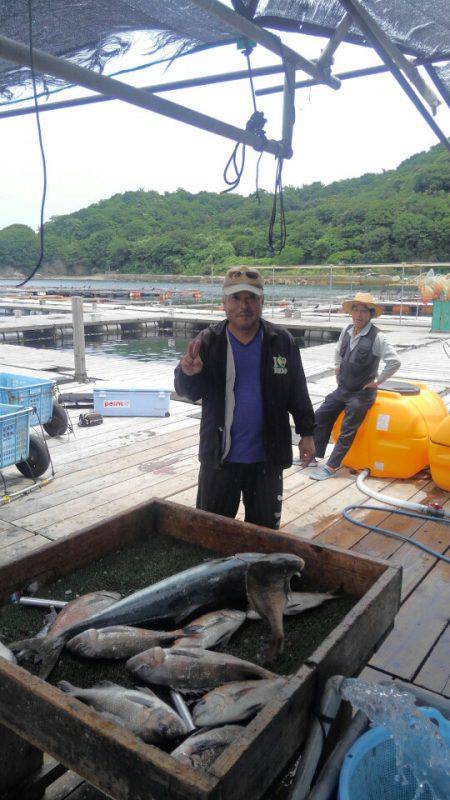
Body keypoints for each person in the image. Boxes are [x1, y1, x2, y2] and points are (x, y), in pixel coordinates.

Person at [174, 267, 315, 529]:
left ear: (262, 302)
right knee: (211, 532)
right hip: (220, 459)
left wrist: (307, 433)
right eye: (236, 298)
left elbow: (298, 390)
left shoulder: (281, 341)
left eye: (251, 298)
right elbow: (188, 392)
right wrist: (188, 373)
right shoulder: (208, 341)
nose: (244, 305)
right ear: (224, 303)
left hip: (266, 460)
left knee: (263, 534)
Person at [309, 292, 401, 481]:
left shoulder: (377, 337)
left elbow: (394, 362)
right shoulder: (347, 330)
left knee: (348, 427)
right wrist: (337, 368)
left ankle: (332, 466)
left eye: (364, 311)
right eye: (356, 310)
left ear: (371, 314)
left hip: (362, 394)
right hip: (343, 389)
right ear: (351, 313)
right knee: (320, 415)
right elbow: (337, 352)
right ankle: (313, 455)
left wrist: (377, 382)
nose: (359, 315)